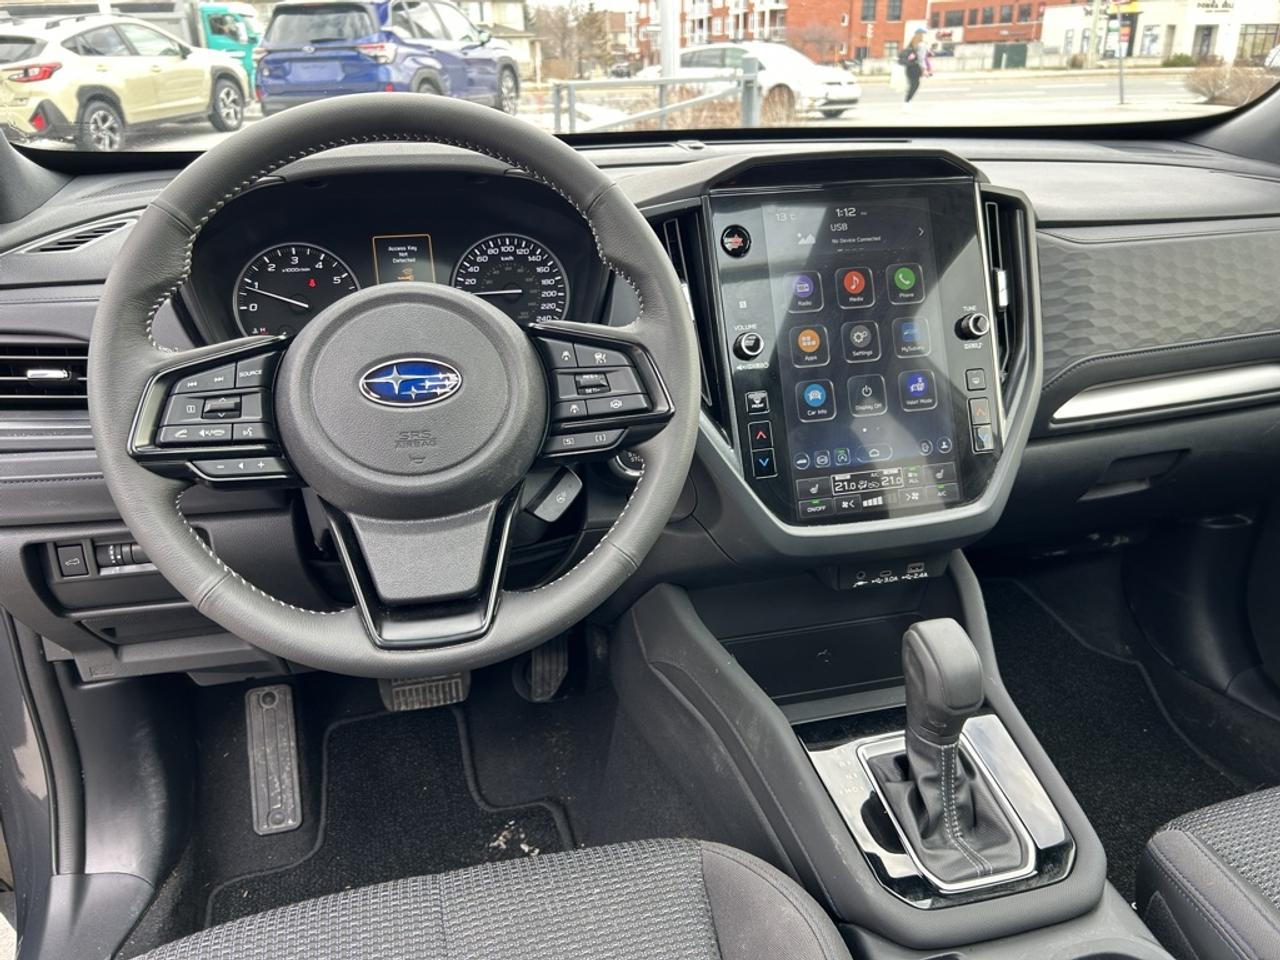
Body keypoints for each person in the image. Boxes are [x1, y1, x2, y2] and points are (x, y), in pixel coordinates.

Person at [900, 29, 933, 107]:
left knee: (912, 85)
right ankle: (907, 103)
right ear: (922, 36)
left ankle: (907, 102)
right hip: (916, 67)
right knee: (915, 85)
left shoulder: (912, 43)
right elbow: (921, 59)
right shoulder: (922, 45)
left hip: (909, 67)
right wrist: (924, 70)